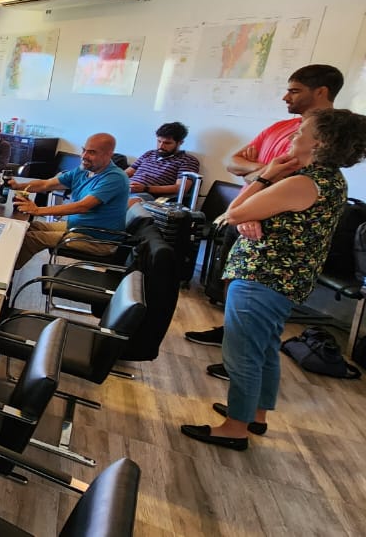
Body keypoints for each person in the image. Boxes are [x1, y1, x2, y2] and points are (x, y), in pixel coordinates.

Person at [180, 109, 366, 451]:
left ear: (320, 142)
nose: (294, 136)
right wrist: (258, 209)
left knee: (243, 353)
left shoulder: (303, 181)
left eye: (301, 132)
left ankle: (235, 427)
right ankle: (256, 415)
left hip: (261, 278)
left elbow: (232, 214)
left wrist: (264, 178)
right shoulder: (330, 179)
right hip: (284, 280)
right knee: (264, 349)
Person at [185, 64, 344, 351]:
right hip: (246, 211)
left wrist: (259, 185)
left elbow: (294, 182)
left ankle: (239, 354)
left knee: (254, 334)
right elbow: (233, 162)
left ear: (321, 92)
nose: (286, 97)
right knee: (231, 286)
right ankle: (229, 335)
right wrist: (265, 172)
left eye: (294, 91)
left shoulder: (319, 141)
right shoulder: (280, 128)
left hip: (262, 227)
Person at [8, 133, 130, 269]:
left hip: (98, 240)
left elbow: (83, 206)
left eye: (92, 152)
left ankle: (2, 275)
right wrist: (17, 185)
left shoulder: (115, 177)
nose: (84, 156)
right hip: (79, 227)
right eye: (84, 150)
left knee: (32, 239)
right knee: (30, 227)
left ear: (109, 155)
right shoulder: (83, 170)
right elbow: (46, 184)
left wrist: (37, 210)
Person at [125, 122, 200, 206]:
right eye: (159, 141)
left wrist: (146, 188)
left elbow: (181, 188)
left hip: (147, 195)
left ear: (180, 142)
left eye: (167, 143)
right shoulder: (149, 154)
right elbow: (127, 172)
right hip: (125, 188)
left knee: (122, 205)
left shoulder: (187, 160)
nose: (161, 146)